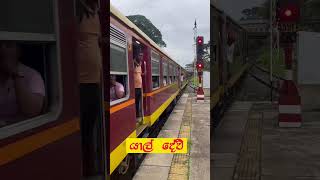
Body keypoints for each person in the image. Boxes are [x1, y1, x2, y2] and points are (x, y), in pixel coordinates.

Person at [76, 0, 103, 177]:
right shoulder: (77, 10)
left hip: (95, 82)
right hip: (80, 82)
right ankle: (86, 169)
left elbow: (96, 40)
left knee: (91, 128)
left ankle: (91, 166)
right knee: (82, 130)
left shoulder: (96, 14)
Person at [0, 41, 45, 125]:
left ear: (18, 52)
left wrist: (15, 74)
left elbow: (32, 111)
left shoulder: (32, 76)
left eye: (8, 45)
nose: (3, 50)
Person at [133, 49, 144, 122]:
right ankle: (136, 116)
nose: (141, 57)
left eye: (142, 56)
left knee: (139, 102)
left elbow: (139, 74)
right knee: (136, 102)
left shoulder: (140, 65)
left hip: (139, 87)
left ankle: (138, 115)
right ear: (136, 56)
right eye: (140, 55)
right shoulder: (133, 63)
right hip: (134, 87)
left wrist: (144, 73)